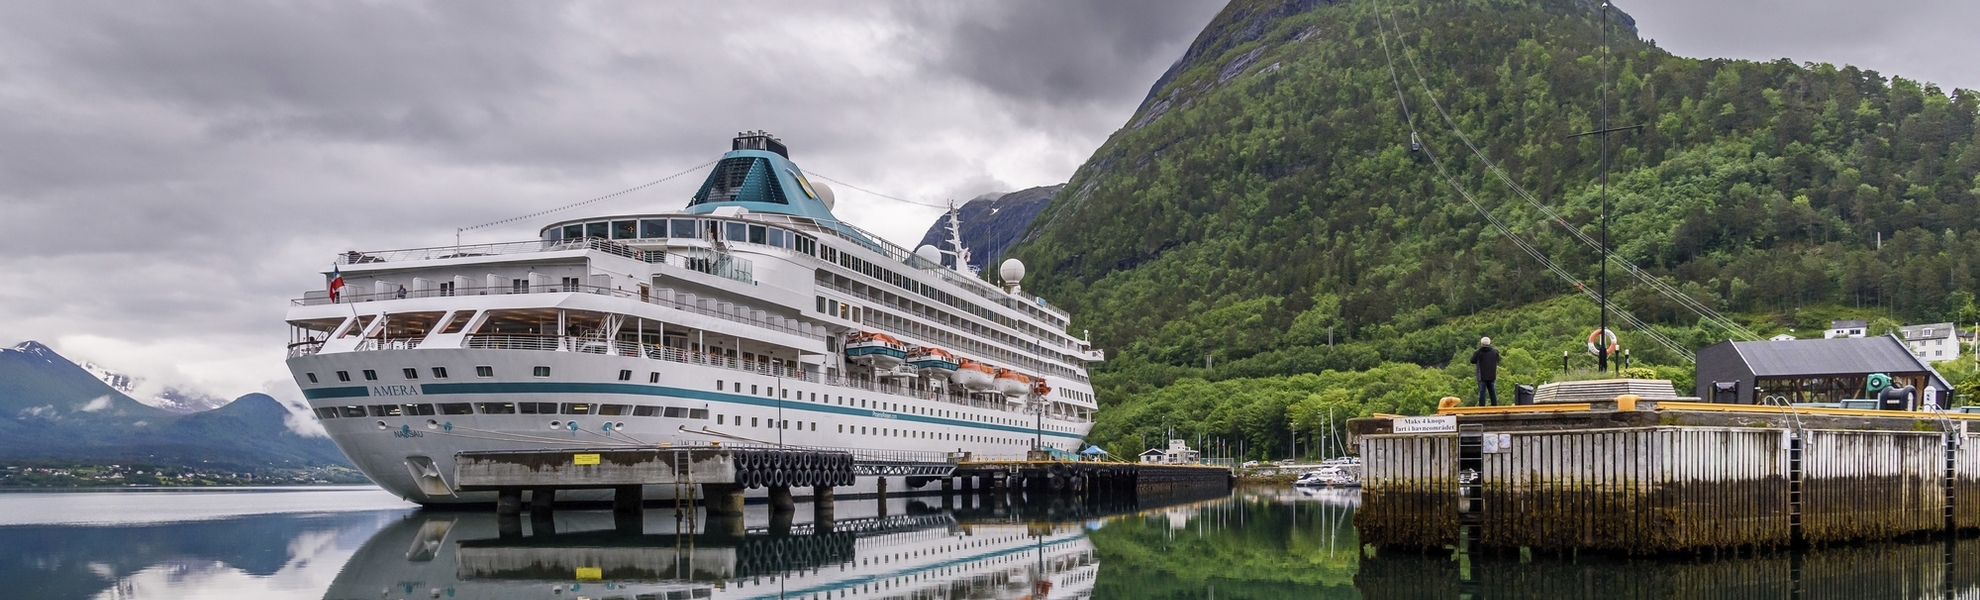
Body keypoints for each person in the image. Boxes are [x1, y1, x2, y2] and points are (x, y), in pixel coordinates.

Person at [1469, 337, 1501, 406]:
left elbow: (1472, 360)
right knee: (1492, 392)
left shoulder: (1478, 352)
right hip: (1492, 375)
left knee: (1482, 392)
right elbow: (1498, 360)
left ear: (1481, 343)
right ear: (1489, 343)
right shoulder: (1495, 352)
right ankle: (1494, 407)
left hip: (1481, 376)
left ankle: (1482, 408)